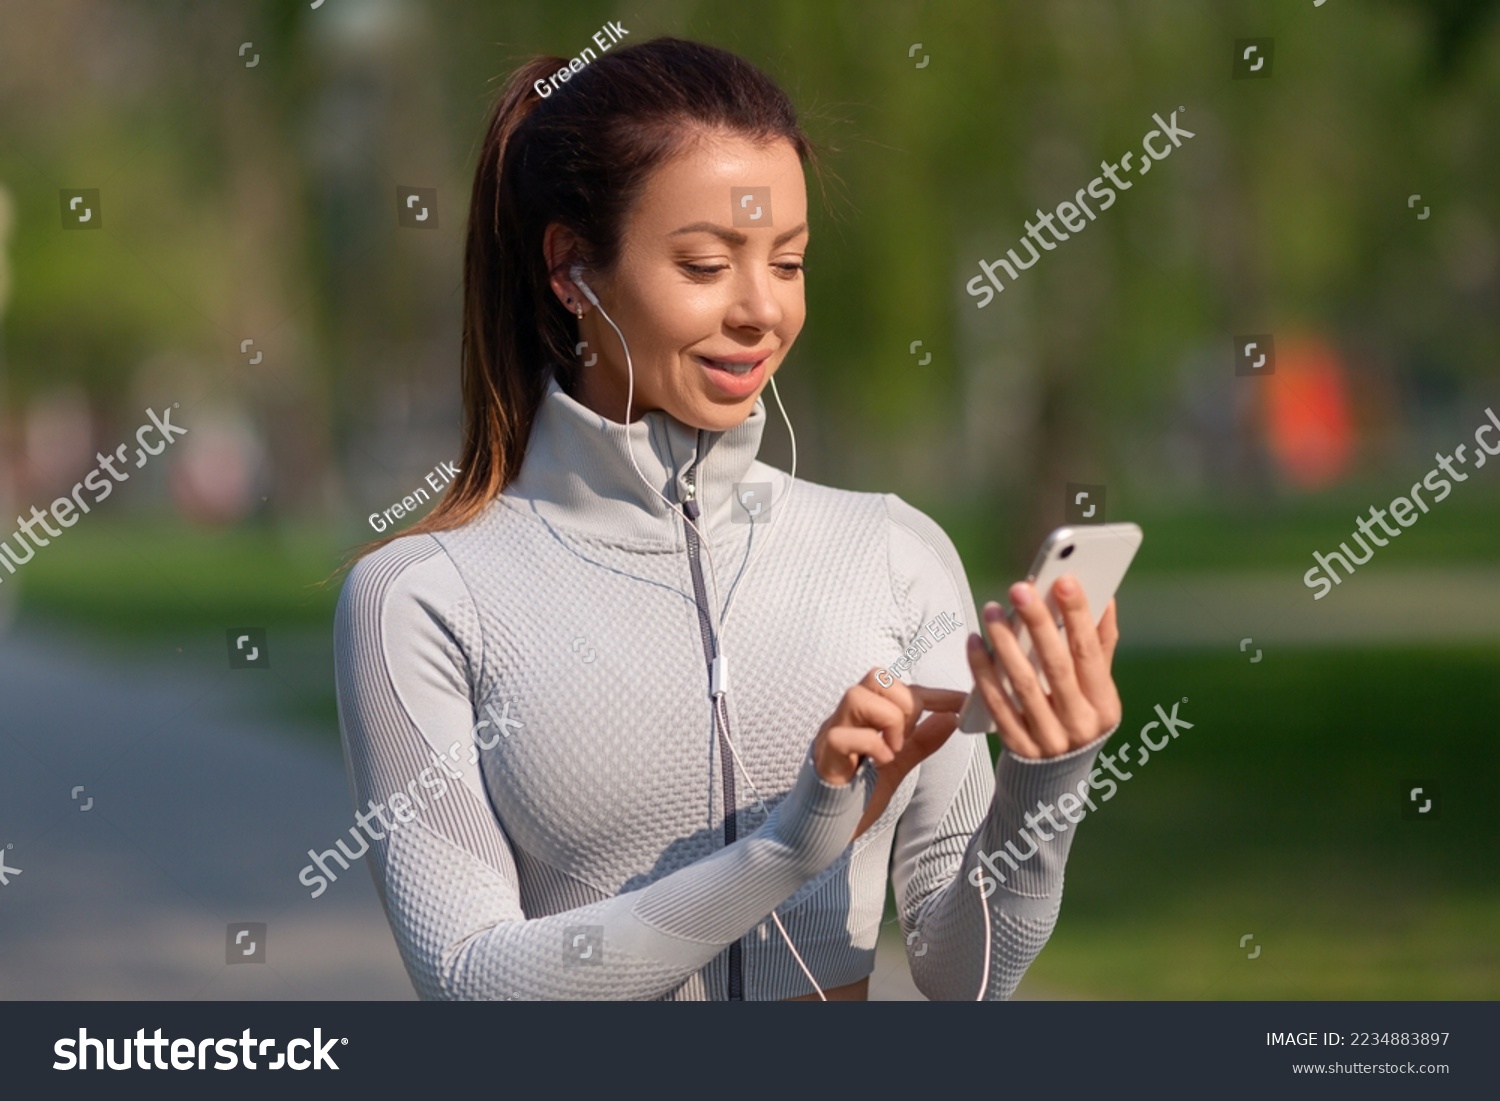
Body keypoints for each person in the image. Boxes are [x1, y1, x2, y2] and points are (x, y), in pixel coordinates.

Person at [334, 36, 1122, 1001]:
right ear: (572, 267)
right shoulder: (425, 597)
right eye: (706, 264)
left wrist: (1045, 778)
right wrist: (787, 848)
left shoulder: (894, 553)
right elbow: (472, 984)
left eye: (788, 262)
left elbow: (967, 975)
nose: (761, 310)